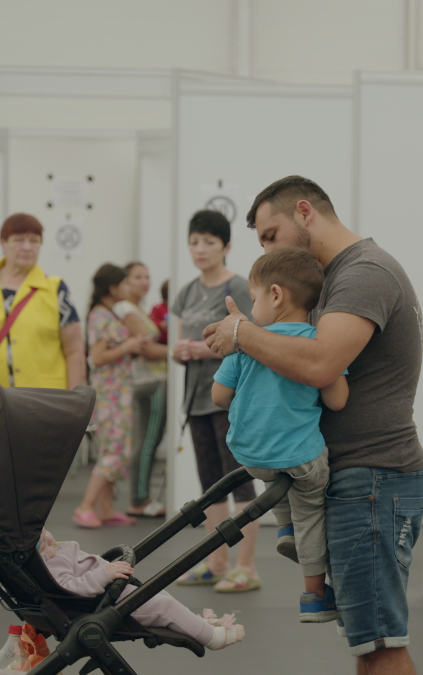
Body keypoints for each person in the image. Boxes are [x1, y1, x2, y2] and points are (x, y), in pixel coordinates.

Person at [203, 176, 423, 672]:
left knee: (381, 643)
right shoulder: (331, 281)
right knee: (369, 641)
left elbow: (321, 364)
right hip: (356, 479)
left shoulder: (364, 273)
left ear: (305, 213)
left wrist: (242, 333)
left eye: (270, 234)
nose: (267, 248)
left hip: (374, 478)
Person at [211, 247, 349, 622]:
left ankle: (284, 527)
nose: (251, 308)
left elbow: (219, 396)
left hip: (251, 456)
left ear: (275, 295)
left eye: (253, 298)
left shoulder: (245, 342)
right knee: (312, 509)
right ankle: (314, 596)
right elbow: (337, 401)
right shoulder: (316, 344)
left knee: (278, 471)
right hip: (300, 457)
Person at [0, 213, 85, 591]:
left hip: (39, 402)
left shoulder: (54, 288)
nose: (26, 247)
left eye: (34, 240)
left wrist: (78, 400)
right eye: (18, 239)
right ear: (3, 243)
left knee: (29, 484)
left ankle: (26, 554)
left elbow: (74, 349)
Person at [172, 210, 261, 593]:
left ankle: (246, 567)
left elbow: (251, 338)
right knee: (211, 485)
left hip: (231, 400)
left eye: (209, 241)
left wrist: (203, 350)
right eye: (194, 241)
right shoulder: (187, 291)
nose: (200, 249)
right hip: (196, 400)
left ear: (225, 246)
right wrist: (181, 351)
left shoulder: (239, 287)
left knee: (240, 482)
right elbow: (181, 342)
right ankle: (217, 562)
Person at [38, 528, 245, 651]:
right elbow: (70, 589)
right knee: (163, 607)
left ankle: (196, 623)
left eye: (46, 531)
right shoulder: (51, 563)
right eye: (43, 545)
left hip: (114, 593)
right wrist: (104, 574)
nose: (49, 539)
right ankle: (210, 636)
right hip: (106, 603)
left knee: (160, 597)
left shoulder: (53, 553)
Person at [73, 263, 144, 529]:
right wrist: (127, 346)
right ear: (113, 287)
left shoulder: (109, 314)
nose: (129, 288)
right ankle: (85, 507)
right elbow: (98, 357)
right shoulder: (101, 316)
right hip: (110, 395)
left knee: (115, 448)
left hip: (119, 392)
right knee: (112, 450)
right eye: (125, 283)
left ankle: (105, 508)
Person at [112, 262, 169, 518]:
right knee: (147, 441)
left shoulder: (138, 309)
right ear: (125, 281)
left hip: (149, 380)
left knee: (146, 440)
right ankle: (139, 499)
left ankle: (140, 497)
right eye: (137, 277)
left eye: (147, 276)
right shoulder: (126, 308)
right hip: (150, 382)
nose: (144, 282)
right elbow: (146, 345)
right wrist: (176, 352)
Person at [149, 280, 170, 345]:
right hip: (161, 341)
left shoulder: (179, 309)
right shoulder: (157, 308)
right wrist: (161, 324)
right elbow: (150, 322)